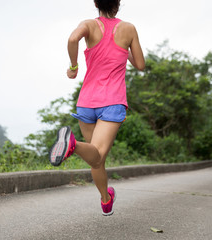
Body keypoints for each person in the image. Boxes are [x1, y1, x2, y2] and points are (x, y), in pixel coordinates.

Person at [49, 0, 145, 216]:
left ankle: (105, 199)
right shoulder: (128, 29)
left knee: (96, 159)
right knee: (98, 155)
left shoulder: (89, 25)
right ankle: (72, 144)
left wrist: (74, 67)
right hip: (112, 102)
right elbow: (140, 64)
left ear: (96, 3)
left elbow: (73, 38)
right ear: (118, 4)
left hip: (86, 102)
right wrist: (126, 48)